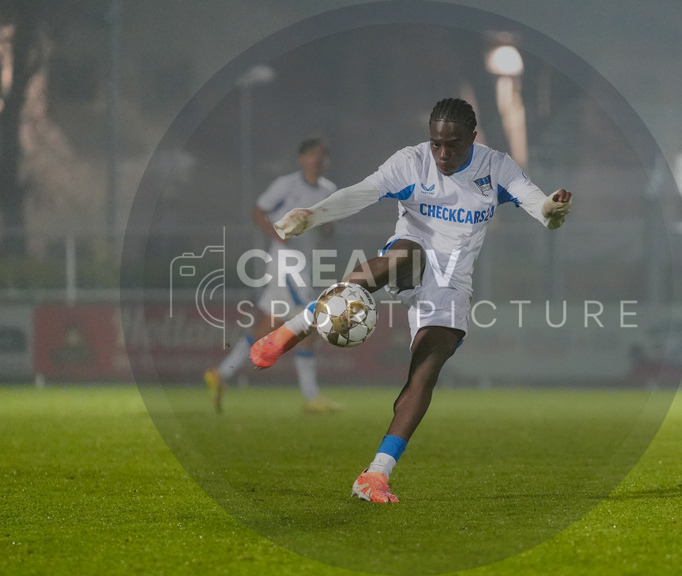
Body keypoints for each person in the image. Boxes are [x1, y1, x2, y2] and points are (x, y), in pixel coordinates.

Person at [248, 98, 572, 502]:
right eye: (436, 143)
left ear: (473, 137)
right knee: (402, 256)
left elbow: (537, 204)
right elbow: (361, 193)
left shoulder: (496, 167)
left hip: (451, 283)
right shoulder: (411, 161)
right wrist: (312, 215)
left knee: (424, 372)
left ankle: (376, 474)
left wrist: (552, 210)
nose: (442, 154)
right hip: (411, 252)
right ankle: (294, 329)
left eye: (452, 145)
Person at [204, 137, 343, 414]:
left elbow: (329, 229)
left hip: (303, 266)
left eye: (322, 155)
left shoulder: (329, 190)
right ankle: (311, 397)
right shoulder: (286, 185)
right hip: (286, 264)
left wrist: (323, 225)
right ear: (301, 158)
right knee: (310, 323)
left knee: (265, 327)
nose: (317, 159)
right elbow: (258, 211)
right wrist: (278, 235)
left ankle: (220, 375)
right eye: (312, 154)